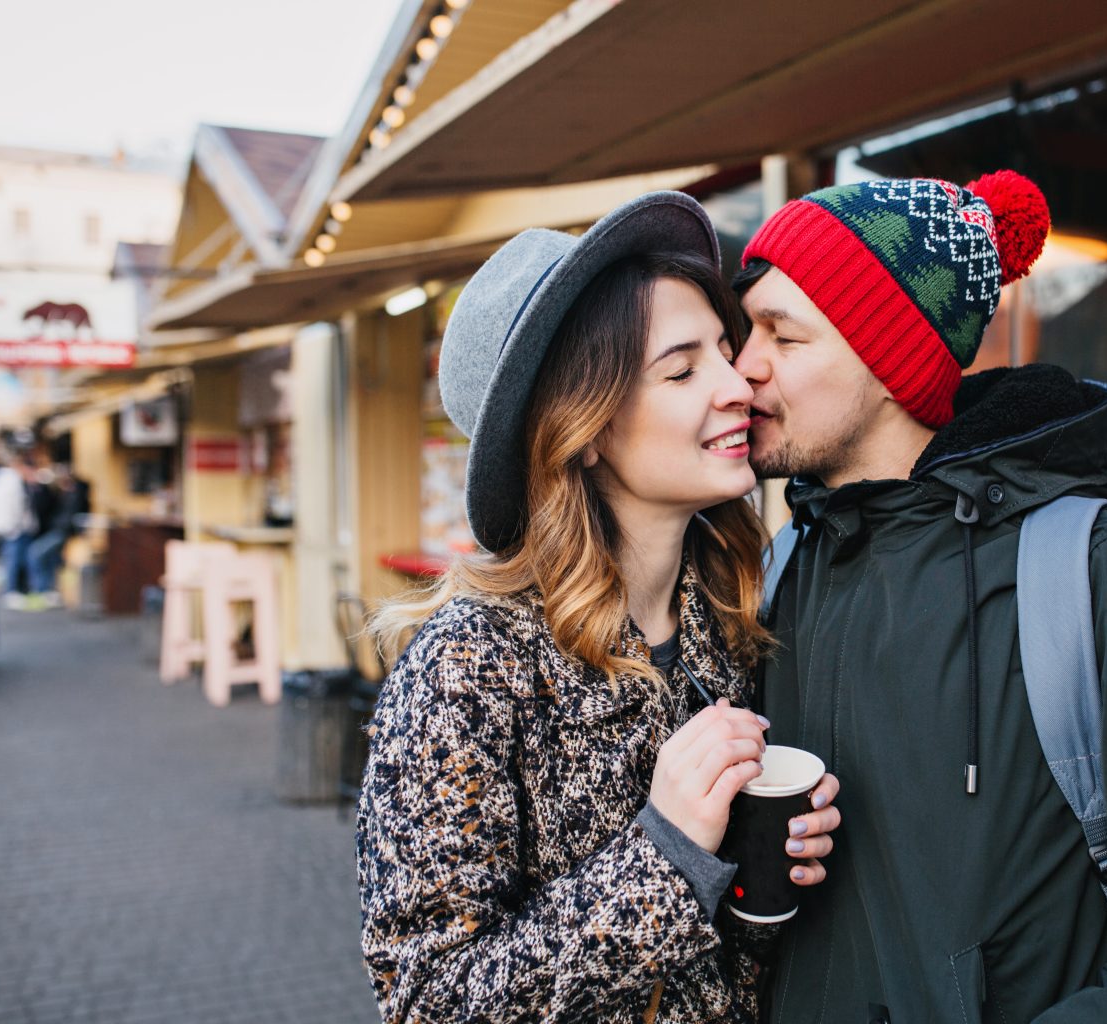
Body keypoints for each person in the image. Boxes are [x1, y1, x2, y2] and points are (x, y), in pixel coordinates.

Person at [730, 171, 1107, 1022]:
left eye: (781, 337)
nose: (743, 366)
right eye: (745, 329)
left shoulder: (1101, 574)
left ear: (890, 358)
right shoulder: (791, 563)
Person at [356, 192, 841, 1024]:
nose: (738, 386)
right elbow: (427, 1002)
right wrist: (667, 853)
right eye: (683, 370)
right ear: (582, 429)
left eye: (725, 352)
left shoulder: (734, 617)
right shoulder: (466, 666)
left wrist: (767, 876)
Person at [26, 462, 90, 609]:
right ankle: (47, 590)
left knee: (36, 553)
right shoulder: (65, 492)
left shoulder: (74, 493)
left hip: (61, 531)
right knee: (50, 560)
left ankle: (42, 590)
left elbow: (67, 516)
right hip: (58, 530)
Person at [0, 448, 38, 609]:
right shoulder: (12, 483)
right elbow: (15, 508)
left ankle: (15, 590)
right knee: (14, 561)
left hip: (6, 527)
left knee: (12, 560)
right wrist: (16, 525)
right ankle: (13, 591)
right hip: (14, 529)